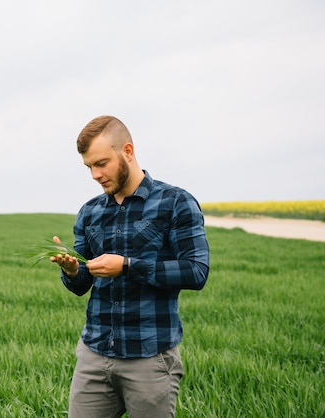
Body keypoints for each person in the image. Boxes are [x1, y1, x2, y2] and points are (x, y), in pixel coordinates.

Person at [50, 115, 210, 418]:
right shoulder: (90, 212)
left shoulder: (175, 202)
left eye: (101, 163)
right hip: (94, 355)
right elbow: (82, 283)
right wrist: (71, 270)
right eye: (89, 167)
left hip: (149, 359)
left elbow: (196, 271)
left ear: (127, 151)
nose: (95, 175)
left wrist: (126, 265)